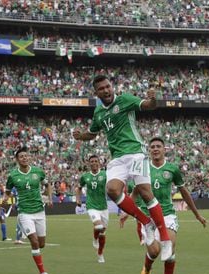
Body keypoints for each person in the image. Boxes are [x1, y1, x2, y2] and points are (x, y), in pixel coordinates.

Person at [73, 75, 172, 261]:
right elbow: (92, 134)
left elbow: (149, 106)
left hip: (136, 152)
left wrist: (153, 98)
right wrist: (81, 136)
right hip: (117, 158)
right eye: (101, 88)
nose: (106, 90)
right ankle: (146, 222)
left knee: (145, 192)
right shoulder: (98, 113)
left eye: (108, 86)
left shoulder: (125, 99)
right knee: (112, 190)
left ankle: (165, 239)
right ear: (96, 92)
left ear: (112, 87)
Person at [121, 137, 207, 274]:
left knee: (170, 248)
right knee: (154, 252)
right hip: (147, 217)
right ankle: (147, 267)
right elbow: (135, 192)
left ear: (164, 149)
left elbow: (185, 192)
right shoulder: (143, 169)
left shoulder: (172, 169)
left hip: (167, 214)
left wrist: (197, 215)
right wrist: (126, 212)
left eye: (158, 146)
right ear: (149, 150)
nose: (155, 149)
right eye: (152, 146)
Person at [3, 147, 53, 274]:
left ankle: (39, 260)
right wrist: (4, 200)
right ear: (17, 160)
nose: (24, 158)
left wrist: (49, 198)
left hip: (39, 211)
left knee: (41, 244)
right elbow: (7, 192)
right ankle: (43, 272)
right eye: (21, 156)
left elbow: (47, 185)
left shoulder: (38, 171)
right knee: (34, 242)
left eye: (26, 156)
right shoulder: (13, 176)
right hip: (24, 213)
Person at [75, 155, 108, 263]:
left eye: (96, 161)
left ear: (99, 163)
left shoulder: (105, 174)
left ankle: (100, 253)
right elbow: (79, 188)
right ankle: (94, 239)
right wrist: (78, 199)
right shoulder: (85, 176)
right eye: (92, 161)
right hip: (91, 205)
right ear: (89, 164)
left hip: (103, 206)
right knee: (98, 226)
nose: (94, 163)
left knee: (103, 232)